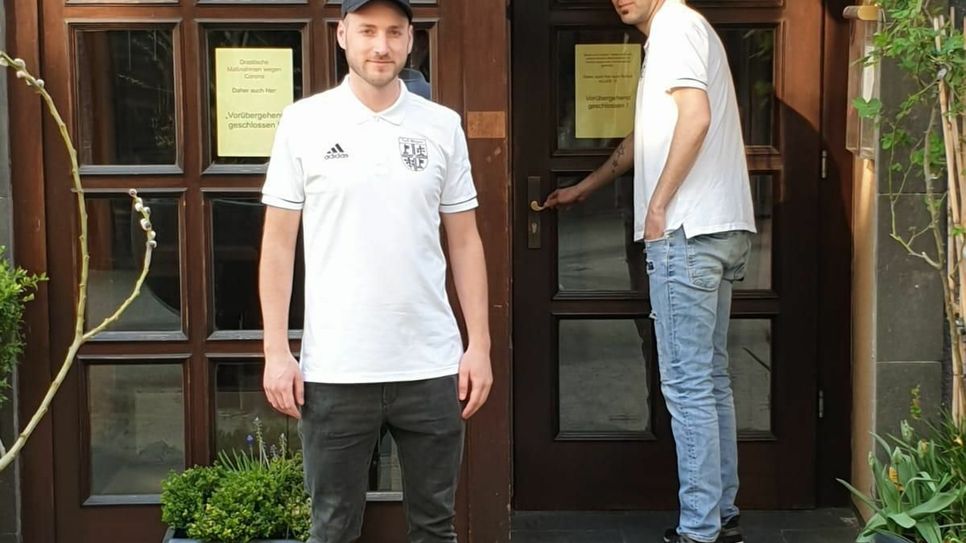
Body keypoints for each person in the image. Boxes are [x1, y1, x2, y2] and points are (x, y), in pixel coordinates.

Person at [258, 0, 492, 541]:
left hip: (431, 367)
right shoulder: (304, 122)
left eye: (393, 32)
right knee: (333, 528)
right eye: (366, 31)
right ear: (342, 35)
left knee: (435, 527)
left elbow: (465, 241)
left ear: (411, 40)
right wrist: (276, 351)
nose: (380, 46)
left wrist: (477, 345)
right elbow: (277, 243)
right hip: (336, 370)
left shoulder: (442, 126)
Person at [544, 1, 755, 542]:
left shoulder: (675, 26)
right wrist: (585, 188)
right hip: (721, 228)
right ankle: (721, 514)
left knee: (688, 388)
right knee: (709, 379)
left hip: (687, 233)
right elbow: (647, 139)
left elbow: (697, 115)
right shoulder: (682, 31)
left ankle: (700, 529)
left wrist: (659, 206)